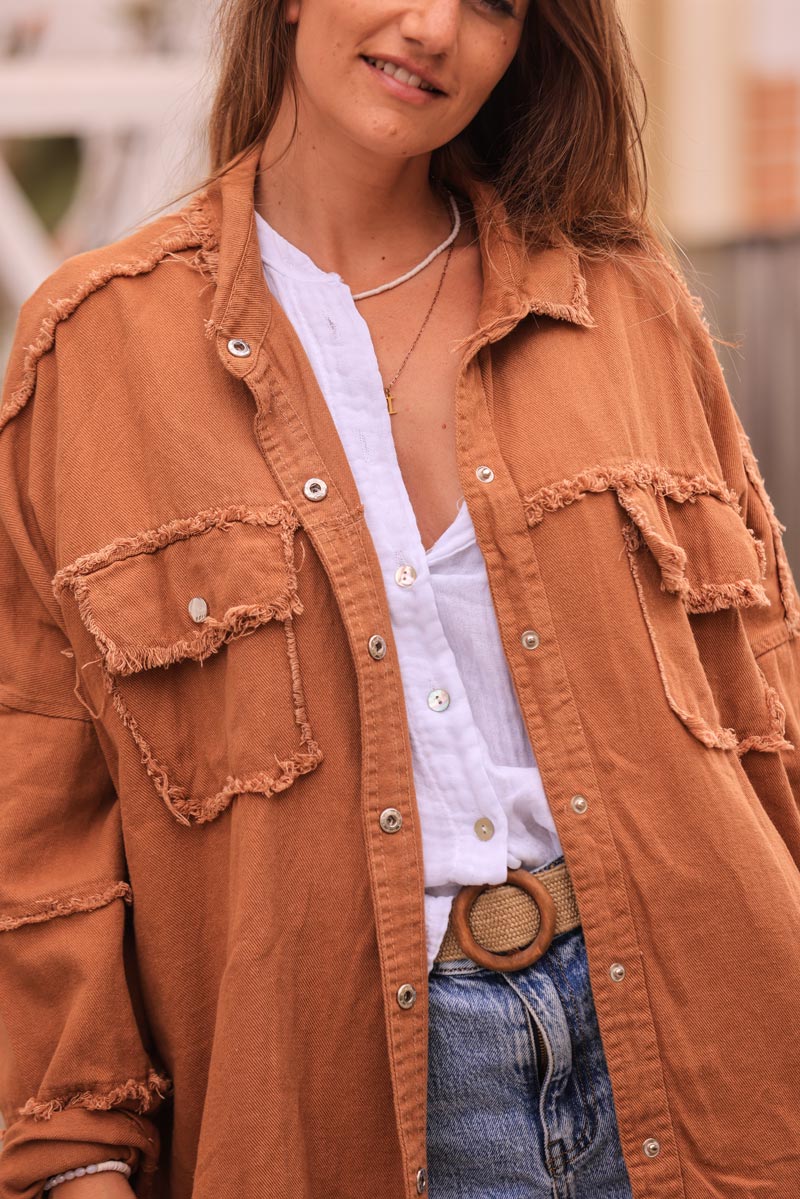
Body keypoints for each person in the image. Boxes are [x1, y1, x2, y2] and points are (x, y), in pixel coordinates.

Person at [0, 0, 799, 1196]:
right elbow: (35, 801)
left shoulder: (623, 305)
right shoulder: (95, 348)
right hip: (339, 1097)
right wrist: (73, 1155)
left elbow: (766, 707)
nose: (432, 27)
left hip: (710, 1050)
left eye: (491, 4)